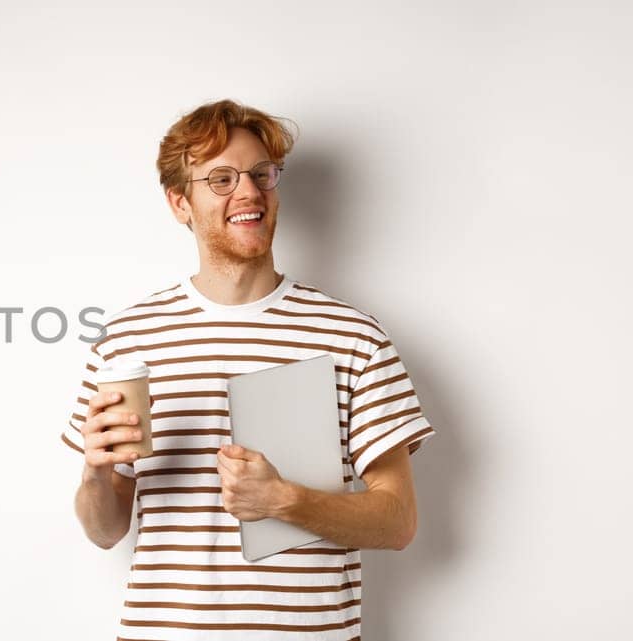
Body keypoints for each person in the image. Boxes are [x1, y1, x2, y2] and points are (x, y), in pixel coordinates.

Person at [61, 99, 435, 640]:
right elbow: (104, 532)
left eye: (262, 174)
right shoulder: (126, 340)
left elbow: (398, 521)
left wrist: (285, 500)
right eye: (220, 178)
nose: (249, 192)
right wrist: (96, 475)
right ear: (178, 202)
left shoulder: (353, 336)